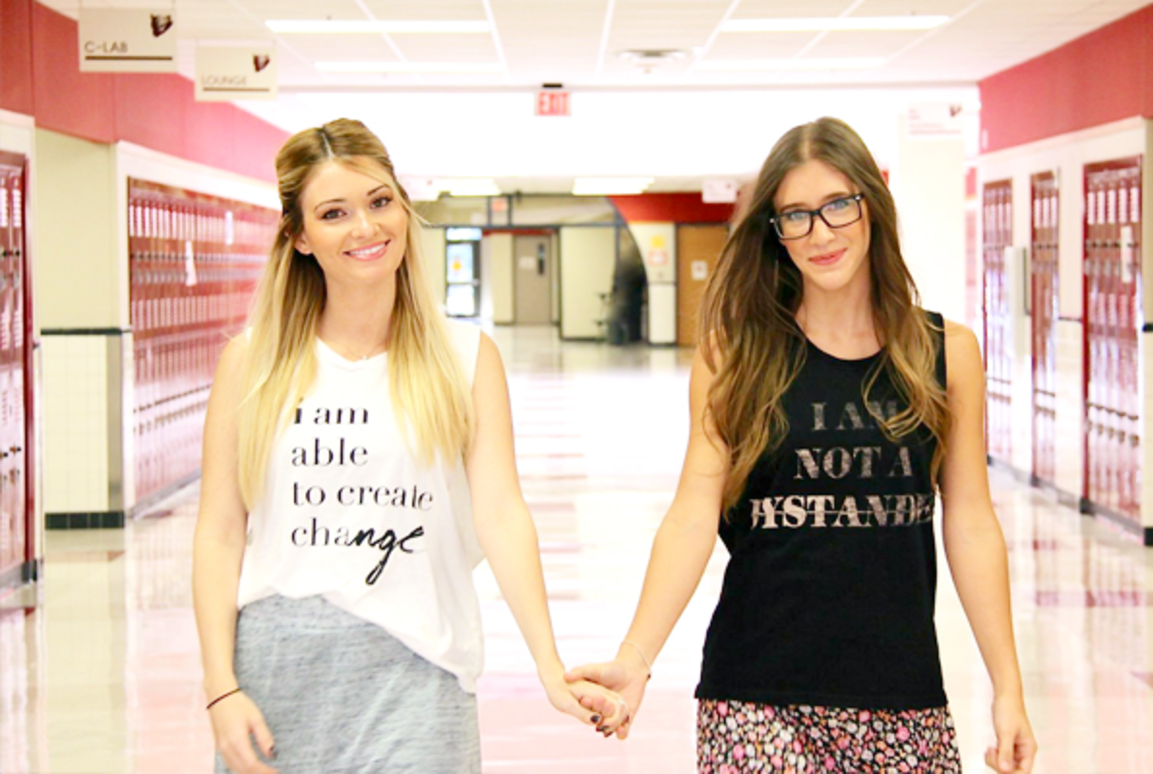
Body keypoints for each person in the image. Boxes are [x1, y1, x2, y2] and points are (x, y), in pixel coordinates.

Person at [567, 117, 1037, 773]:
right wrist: (636, 656)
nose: (820, 234)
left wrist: (1007, 686)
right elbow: (692, 513)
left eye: (837, 206)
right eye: (795, 216)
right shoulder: (735, 355)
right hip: (755, 694)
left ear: (871, 206)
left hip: (900, 693)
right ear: (775, 231)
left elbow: (971, 521)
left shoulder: (944, 354)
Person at [192, 118, 625, 774]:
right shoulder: (250, 364)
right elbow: (220, 532)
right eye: (334, 213)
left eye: (379, 201)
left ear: (403, 205)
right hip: (279, 674)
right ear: (299, 237)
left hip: (421, 669)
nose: (365, 228)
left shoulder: (465, 357)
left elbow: (501, 513)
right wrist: (220, 687)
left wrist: (547, 661)